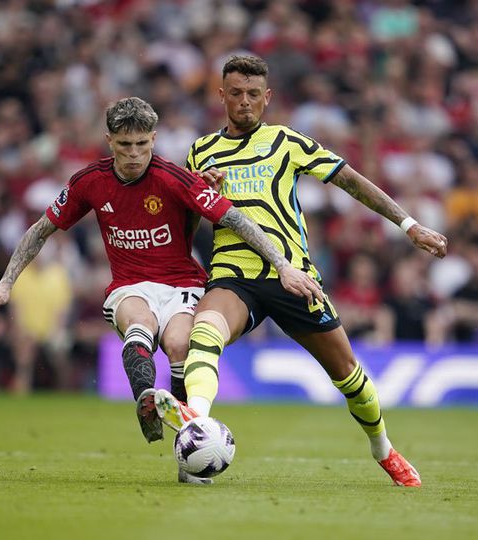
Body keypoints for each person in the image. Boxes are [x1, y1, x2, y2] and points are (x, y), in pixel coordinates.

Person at [0, 97, 322, 477]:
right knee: (140, 321)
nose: (134, 154)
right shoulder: (90, 181)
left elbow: (237, 220)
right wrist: (5, 284)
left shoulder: (174, 179)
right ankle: (147, 400)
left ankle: (186, 449)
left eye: (142, 144)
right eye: (125, 145)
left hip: (182, 283)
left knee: (179, 344)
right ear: (109, 140)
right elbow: (41, 230)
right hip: (130, 284)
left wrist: (283, 265)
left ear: (153, 139)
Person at [153, 56, 448, 487]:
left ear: (267, 97)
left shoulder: (286, 141)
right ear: (221, 96)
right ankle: (196, 419)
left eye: (253, 94)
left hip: (293, 277)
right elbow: (188, 224)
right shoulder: (201, 152)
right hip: (234, 273)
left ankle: (383, 448)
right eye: (236, 93)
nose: (245, 101)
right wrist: (201, 196)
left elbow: (351, 181)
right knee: (205, 331)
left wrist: (409, 225)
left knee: (350, 377)